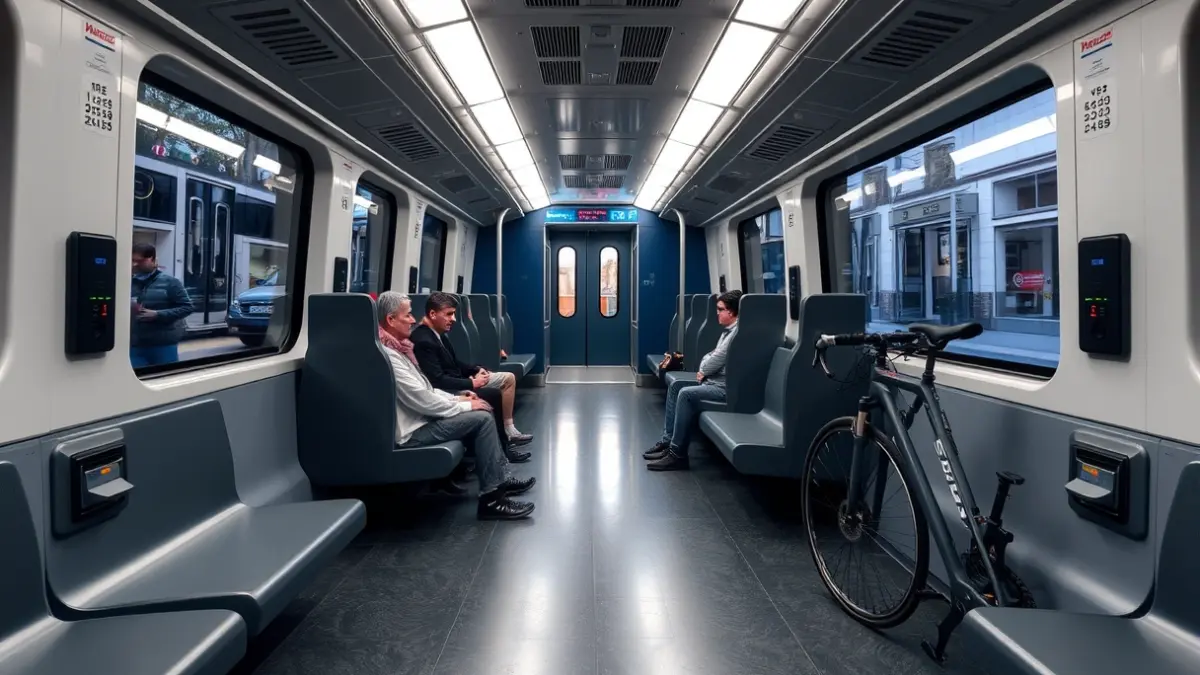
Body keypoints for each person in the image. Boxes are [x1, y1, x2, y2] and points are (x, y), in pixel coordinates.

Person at [377, 291, 535, 519]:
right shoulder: (391, 356)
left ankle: (498, 480)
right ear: (391, 320)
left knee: (481, 408)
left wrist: (459, 398)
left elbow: (426, 390)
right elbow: (423, 399)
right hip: (413, 432)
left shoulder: (400, 350)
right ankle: (492, 499)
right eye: (408, 315)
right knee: (482, 417)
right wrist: (466, 406)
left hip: (422, 419)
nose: (413, 319)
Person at [411, 292, 532, 463]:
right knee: (493, 395)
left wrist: (476, 370)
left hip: (458, 381)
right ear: (432, 314)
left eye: (453, 314)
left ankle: (505, 442)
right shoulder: (424, 341)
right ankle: (503, 450)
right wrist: (472, 383)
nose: (453, 319)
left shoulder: (438, 334)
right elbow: (437, 380)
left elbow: (454, 363)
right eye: (449, 314)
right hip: (447, 390)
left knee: (505, 381)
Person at [645, 290, 742, 471]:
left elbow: (713, 361)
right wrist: (705, 367)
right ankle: (668, 442)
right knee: (676, 386)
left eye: (720, 309)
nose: (717, 313)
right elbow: (710, 357)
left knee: (686, 394)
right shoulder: (727, 332)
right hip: (712, 381)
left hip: (722, 388)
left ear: (732, 312)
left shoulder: (735, 334)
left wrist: (704, 369)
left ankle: (678, 454)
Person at [130, 243, 193, 367]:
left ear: (153, 260)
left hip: (163, 344)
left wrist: (157, 315)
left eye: (140, 261)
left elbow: (187, 307)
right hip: (135, 344)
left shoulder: (171, 282)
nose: (135, 264)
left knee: (165, 375)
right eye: (133, 261)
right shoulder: (128, 282)